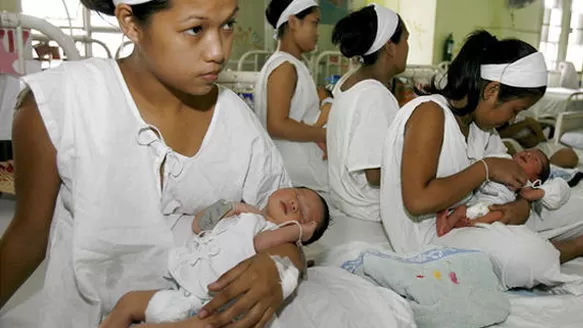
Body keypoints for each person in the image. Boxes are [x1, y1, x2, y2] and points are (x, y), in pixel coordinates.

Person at [0, 0, 308, 327]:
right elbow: (27, 239)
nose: (218, 51)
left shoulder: (236, 121)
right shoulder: (61, 106)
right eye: (195, 29)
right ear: (131, 24)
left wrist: (276, 271)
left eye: (227, 25)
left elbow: (291, 233)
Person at [380, 30, 583, 291]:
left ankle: (523, 237)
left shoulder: (480, 127)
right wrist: (486, 169)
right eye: (515, 110)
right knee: (529, 256)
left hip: (477, 213)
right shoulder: (430, 113)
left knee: (578, 207)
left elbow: (511, 177)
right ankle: (572, 247)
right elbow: (418, 201)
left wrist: (519, 206)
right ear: (492, 90)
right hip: (431, 236)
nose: (511, 121)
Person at [100, 187, 330, 326]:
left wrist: (298, 232)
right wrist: (231, 207)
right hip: (185, 290)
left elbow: (259, 244)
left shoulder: (275, 236)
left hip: (210, 304)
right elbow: (199, 225)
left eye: (303, 213)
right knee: (128, 302)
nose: (294, 203)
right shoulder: (245, 213)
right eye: (297, 195)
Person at [326, 4, 408, 222]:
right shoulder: (374, 95)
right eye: (405, 40)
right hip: (368, 210)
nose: (407, 48)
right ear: (390, 46)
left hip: (345, 202)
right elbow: (375, 174)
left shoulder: (349, 82)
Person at [254, 0, 328, 191]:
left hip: (298, 174)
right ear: (293, 22)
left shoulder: (290, 65)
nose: (317, 32)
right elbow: (277, 125)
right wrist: (325, 135)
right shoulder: (284, 67)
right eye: (314, 22)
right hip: (295, 176)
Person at [436, 148, 572, 236]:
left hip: (497, 205)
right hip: (477, 200)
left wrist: (538, 192)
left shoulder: (528, 184)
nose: (528, 154)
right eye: (526, 151)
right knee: (460, 209)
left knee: (497, 215)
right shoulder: (502, 159)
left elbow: (561, 189)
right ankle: (447, 225)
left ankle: (471, 224)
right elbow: (483, 163)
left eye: (534, 159)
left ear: (535, 178)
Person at [497, 116, 580, 168]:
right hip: (516, 147)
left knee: (569, 156)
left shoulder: (527, 120)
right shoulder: (508, 143)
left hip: (541, 148)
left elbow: (541, 138)